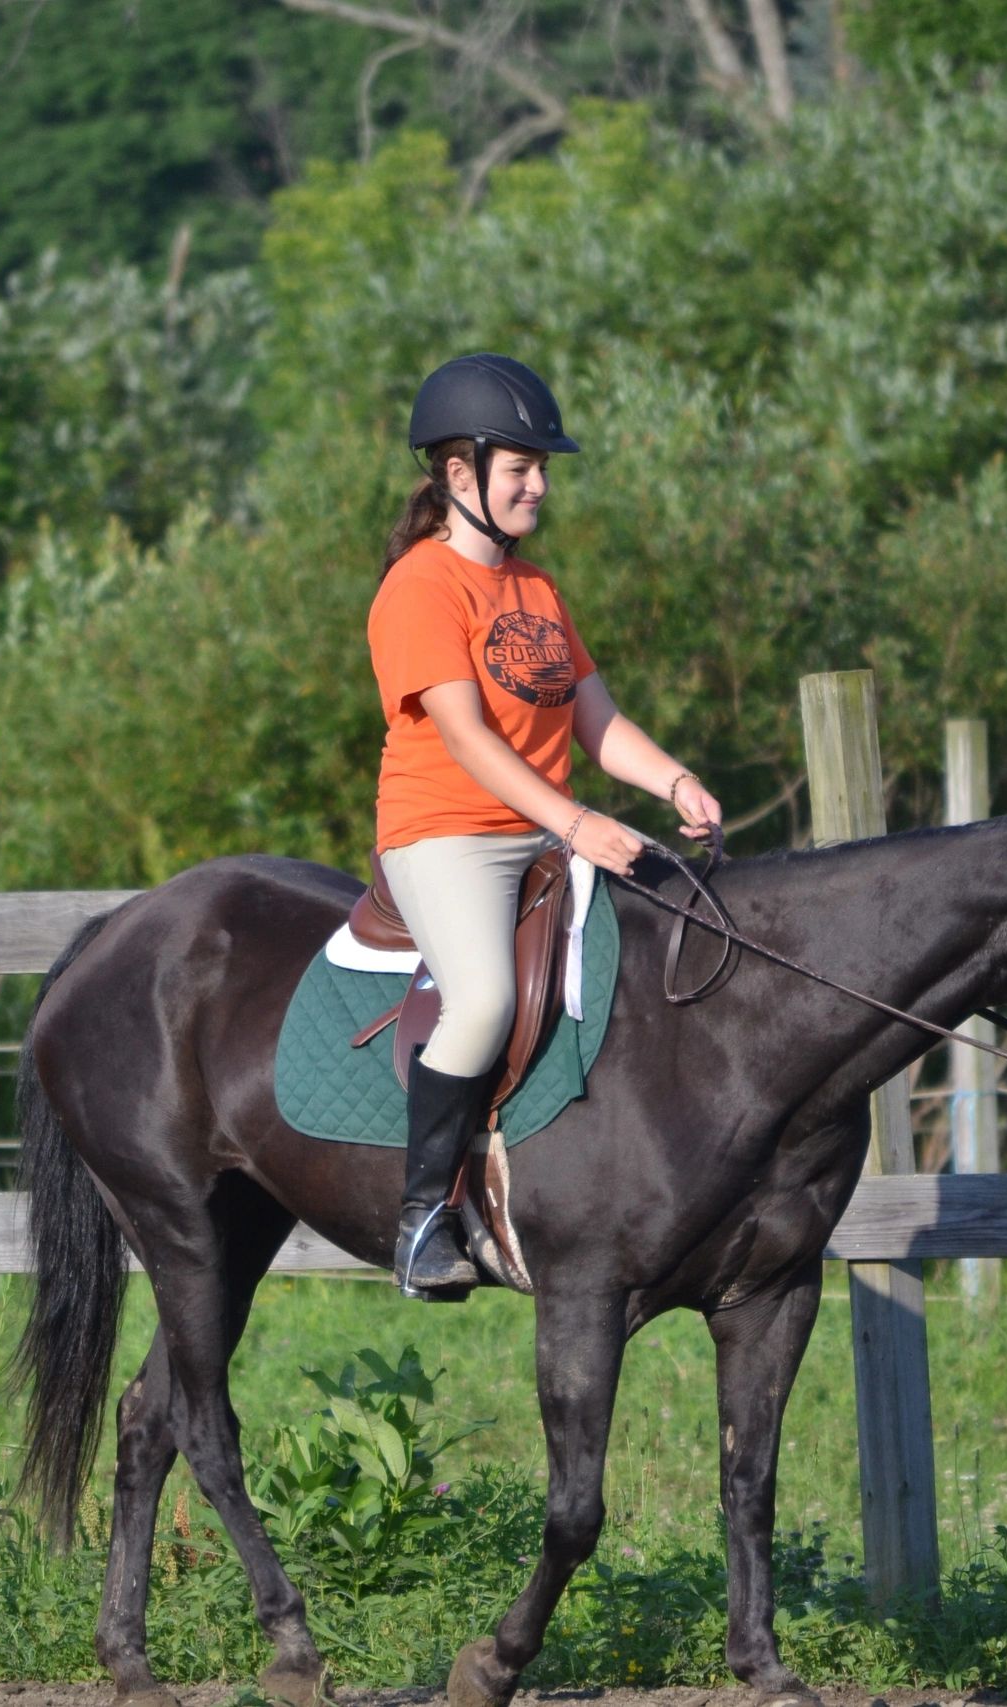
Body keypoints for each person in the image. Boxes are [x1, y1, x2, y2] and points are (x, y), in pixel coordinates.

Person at [367, 353, 724, 1299]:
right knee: (483, 997)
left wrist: (675, 779)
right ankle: (420, 1219)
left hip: (547, 833)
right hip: (448, 833)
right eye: (521, 467)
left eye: (543, 467)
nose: (540, 484)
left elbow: (596, 723)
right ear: (458, 475)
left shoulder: (539, 589)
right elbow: (470, 739)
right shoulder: (420, 587)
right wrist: (579, 823)